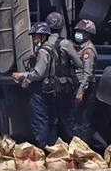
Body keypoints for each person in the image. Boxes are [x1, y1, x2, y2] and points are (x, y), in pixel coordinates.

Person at [12, 22, 57, 149]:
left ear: (43, 36)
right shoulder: (51, 49)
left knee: (40, 120)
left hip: (40, 90)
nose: (33, 39)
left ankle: (43, 149)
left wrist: (20, 76)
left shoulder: (43, 51)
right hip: (49, 88)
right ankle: (51, 149)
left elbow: (38, 73)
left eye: (35, 36)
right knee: (49, 120)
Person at [45, 12, 82, 142]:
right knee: (69, 119)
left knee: (51, 119)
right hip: (63, 86)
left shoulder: (43, 43)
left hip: (47, 86)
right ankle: (75, 148)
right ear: (61, 27)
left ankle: (53, 149)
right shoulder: (66, 44)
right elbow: (79, 64)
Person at [73, 19, 98, 143]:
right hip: (82, 87)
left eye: (80, 31)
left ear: (87, 34)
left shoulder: (88, 51)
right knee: (78, 121)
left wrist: (81, 91)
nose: (77, 33)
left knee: (83, 122)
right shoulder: (81, 48)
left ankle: (82, 150)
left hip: (86, 90)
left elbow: (87, 73)